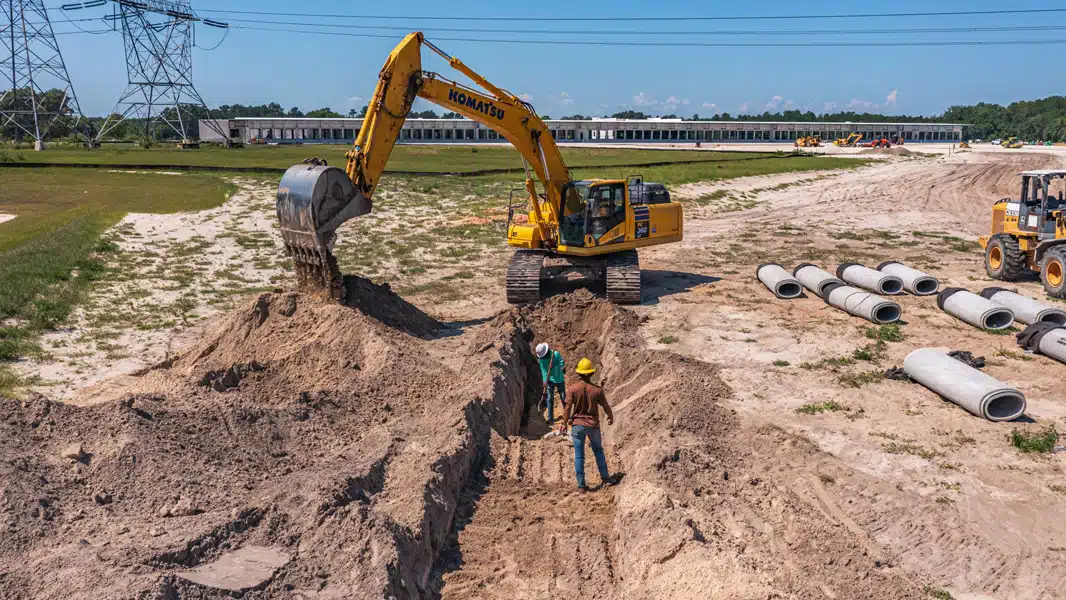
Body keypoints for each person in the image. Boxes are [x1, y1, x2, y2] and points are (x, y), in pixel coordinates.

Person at [558, 358, 617, 492]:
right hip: (593, 426)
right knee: (598, 451)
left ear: (579, 374)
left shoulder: (572, 389)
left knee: (579, 456)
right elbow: (605, 406)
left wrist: (564, 423)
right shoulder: (597, 390)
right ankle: (606, 479)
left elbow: (567, 409)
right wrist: (610, 416)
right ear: (591, 373)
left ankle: (581, 486)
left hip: (577, 426)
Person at [536, 342, 565, 424]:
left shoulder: (555, 354)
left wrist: (556, 366)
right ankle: (550, 417)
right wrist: (544, 381)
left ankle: (567, 415)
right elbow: (544, 371)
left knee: (563, 397)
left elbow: (562, 363)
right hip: (550, 381)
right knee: (549, 398)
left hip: (559, 379)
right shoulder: (542, 360)